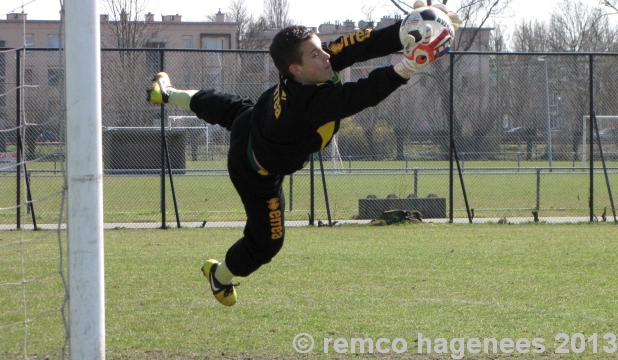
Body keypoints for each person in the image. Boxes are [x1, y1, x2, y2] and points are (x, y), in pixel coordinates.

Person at [147, 2, 461, 306]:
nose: (327, 55)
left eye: (321, 47)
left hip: (254, 121)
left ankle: (168, 93)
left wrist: (417, 24)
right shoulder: (310, 105)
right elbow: (363, 93)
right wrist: (406, 66)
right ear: (296, 69)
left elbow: (364, 44)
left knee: (230, 108)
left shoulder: (311, 67)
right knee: (268, 243)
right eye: (315, 53)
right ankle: (220, 275)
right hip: (254, 171)